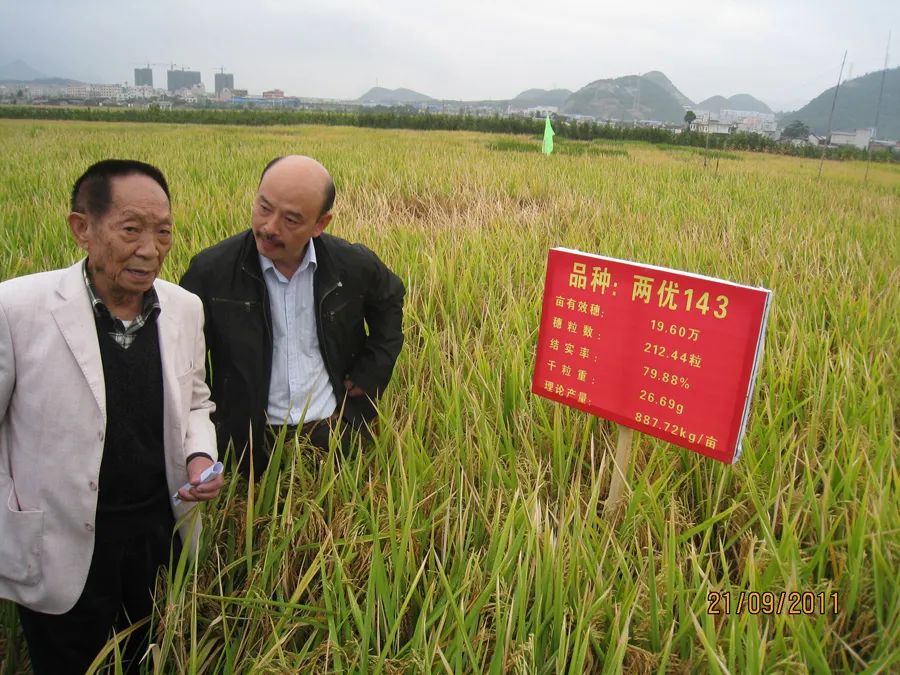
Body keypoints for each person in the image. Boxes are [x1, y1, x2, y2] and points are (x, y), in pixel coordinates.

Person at [0, 159, 224, 674]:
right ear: (83, 228)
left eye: (163, 232)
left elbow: (195, 399)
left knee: (148, 658)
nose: (150, 249)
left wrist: (199, 456)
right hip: (58, 540)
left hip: (156, 536)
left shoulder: (184, 307)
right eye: (131, 230)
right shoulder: (19, 308)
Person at [180, 155, 405, 475]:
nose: (269, 227)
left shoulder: (352, 265)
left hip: (333, 429)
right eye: (264, 208)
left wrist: (374, 368)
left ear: (320, 224)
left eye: (291, 219)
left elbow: (390, 300)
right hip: (248, 441)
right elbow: (184, 361)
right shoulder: (210, 272)